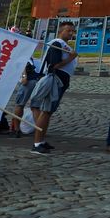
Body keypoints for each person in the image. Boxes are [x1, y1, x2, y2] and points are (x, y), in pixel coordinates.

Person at [30, 19, 77, 155]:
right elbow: (54, 65)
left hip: (61, 81)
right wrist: (71, 58)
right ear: (61, 31)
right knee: (46, 110)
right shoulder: (57, 44)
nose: (71, 33)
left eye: (72, 31)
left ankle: (42, 140)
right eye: (68, 30)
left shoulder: (64, 45)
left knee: (49, 112)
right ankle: (37, 143)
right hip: (55, 80)